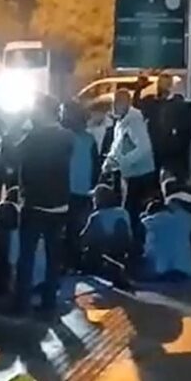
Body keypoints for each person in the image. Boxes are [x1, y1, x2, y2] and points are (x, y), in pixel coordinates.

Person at [14, 94, 75, 314]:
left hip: (35, 203)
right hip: (60, 203)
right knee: (53, 255)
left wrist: (19, 126)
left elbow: (11, 156)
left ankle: (22, 303)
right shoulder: (67, 136)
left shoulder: (33, 137)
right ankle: (49, 302)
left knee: (26, 256)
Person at [105, 89, 156, 255]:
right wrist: (110, 161)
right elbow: (118, 146)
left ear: (125, 103)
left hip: (139, 175)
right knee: (130, 211)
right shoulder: (123, 121)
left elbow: (144, 148)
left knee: (131, 212)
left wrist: (122, 162)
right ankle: (133, 247)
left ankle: (135, 248)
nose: (113, 106)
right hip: (131, 174)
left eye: (116, 103)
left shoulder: (134, 122)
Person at [61, 101, 102, 271]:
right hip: (83, 190)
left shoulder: (63, 137)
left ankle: (64, 263)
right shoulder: (89, 138)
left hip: (64, 188)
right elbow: (96, 166)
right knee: (77, 228)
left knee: (63, 229)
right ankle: (75, 262)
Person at [140, 179, 191, 281]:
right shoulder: (190, 219)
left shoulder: (159, 219)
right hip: (185, 268)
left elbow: (143, 224)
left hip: (160, 269)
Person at [80, 184, 132, 273]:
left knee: (89, 250)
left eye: (94, 197)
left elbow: (85, 239)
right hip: (124, 252)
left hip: (105, 254)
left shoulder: (97, 216)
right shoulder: (123, 212)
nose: (93, 200)